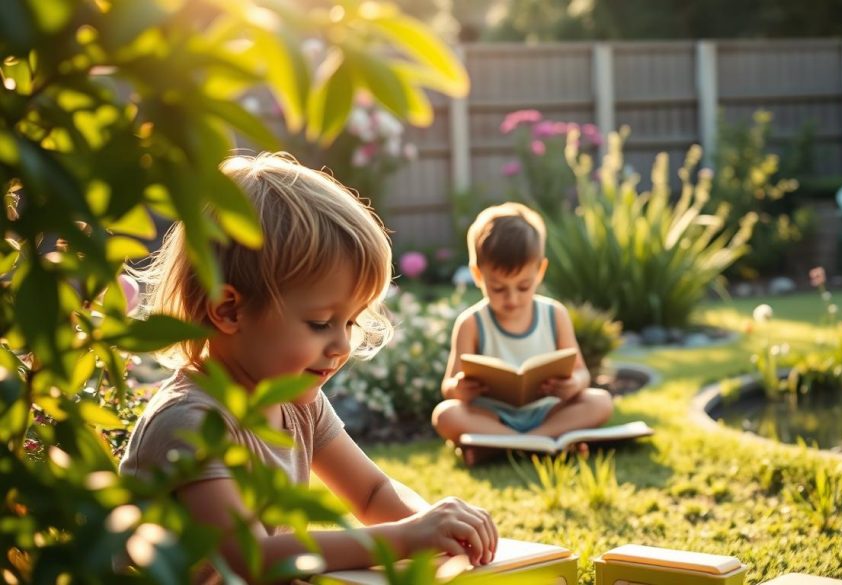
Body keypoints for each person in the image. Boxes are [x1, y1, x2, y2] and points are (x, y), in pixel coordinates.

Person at [119, 153, 497, 582]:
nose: (341, 345)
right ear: (228, 310)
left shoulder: (301, 407)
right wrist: (404, 538)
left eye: (350, 322)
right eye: (320, 323)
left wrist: (433, 523)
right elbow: (249, 558)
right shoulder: (189, 421)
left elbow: (373, 493)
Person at [431, 202, 613, 463]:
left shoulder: (555, 315)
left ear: (540, 271)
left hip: (547, 412)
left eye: (524, 286)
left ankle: (510, 445)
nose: (512, 299)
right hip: (493, 416)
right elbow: (449, 388)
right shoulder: (471, 323)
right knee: (446, 415)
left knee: (600, 401)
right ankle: (543, 444)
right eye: (498, 288)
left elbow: (582, 372)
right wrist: (460, 389)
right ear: (478, 275)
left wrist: (573, 384)